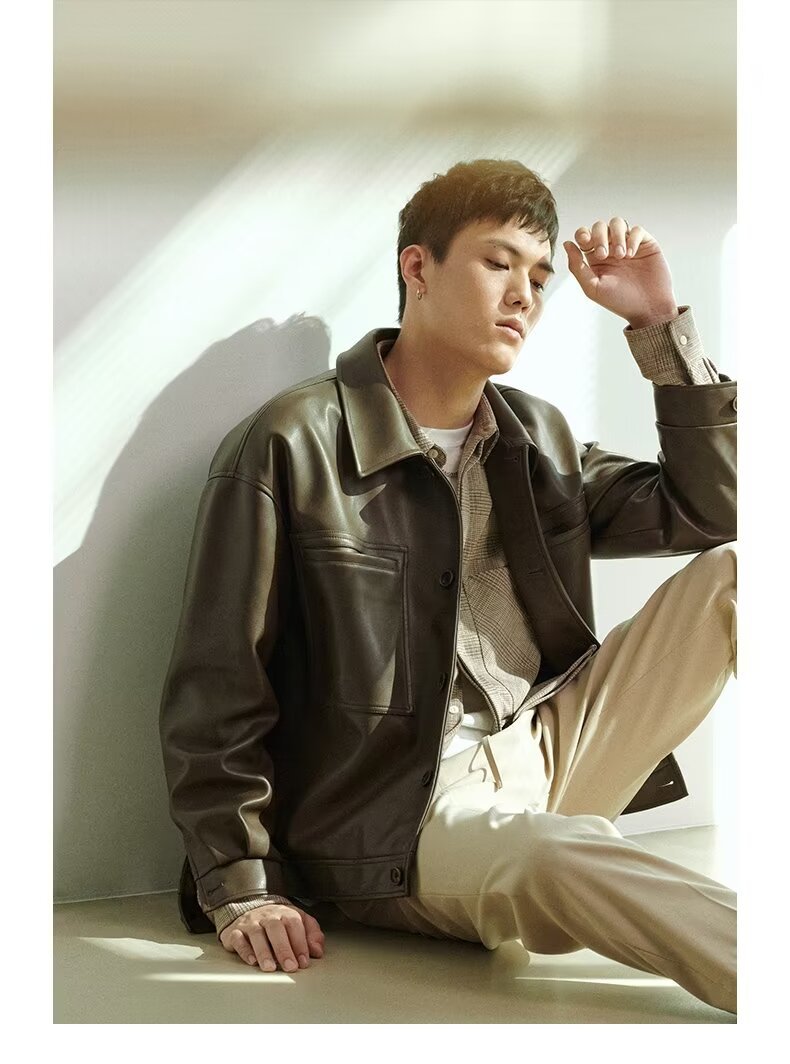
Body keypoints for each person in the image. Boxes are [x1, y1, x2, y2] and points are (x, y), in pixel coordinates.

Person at [158, 159, 737, 1014]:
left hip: (540, 750)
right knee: (550, 856)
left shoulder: (534, 436)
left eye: (539, 277)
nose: (524, 295)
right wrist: (241, 884)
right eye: (499, 263)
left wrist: (658, 329)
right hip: (397, 823)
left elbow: (711, 511)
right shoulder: (292, 442)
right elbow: (219, 688)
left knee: (741, 577)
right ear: (418, 268)